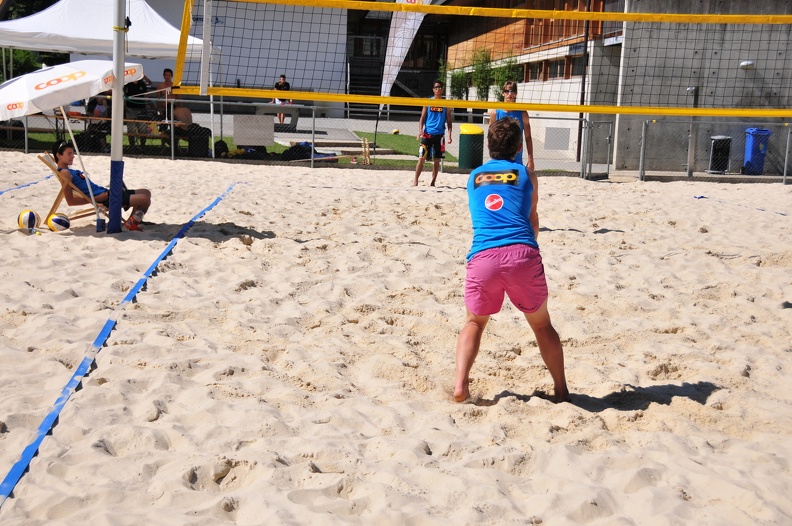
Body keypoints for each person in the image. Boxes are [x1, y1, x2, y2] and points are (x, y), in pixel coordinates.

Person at [454, 117, 568, 404]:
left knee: (474, 323)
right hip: (522, 253)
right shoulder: (527, 175)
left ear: (488, 146)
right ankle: (561, 390)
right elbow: (533, 219)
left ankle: (460, 386)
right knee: (542, 325)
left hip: (483, 257)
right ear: (518, 147)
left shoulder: (474, 176)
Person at [53, 141, 152, 231]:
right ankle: (130, 224)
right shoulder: (65, 173)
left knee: (146, 192)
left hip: (106, 193)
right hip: (105, 199)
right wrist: (96, 199)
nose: (73, 156)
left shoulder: (69, 171)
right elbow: (70, 201)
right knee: (145, 198)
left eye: (73, 153)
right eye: (69, 154)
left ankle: (132, 222)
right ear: (58, 155)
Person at [489, 80, 539, 236]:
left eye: (512, 91)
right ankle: (502, 217)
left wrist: (531, 158)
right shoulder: (496, 112)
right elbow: (490, 137)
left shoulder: (522, 113)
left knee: (516, 187)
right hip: (499, 157)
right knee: (500, 186)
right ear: (503, 93)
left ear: (516, 93)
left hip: (516, 157)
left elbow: (528, 137)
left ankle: (517, 217)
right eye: (507, 91)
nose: (509, 94)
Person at [414, 80, 453, 187]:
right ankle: (415, 181)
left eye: (440, 87)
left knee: (437, 160)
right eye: (436, 87)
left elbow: (449, 121)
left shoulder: (446, 104)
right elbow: (422, 118)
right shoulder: (428, 102)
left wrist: (449, 135)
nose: (438, 89)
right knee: (421, 158)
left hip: (439, 136)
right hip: (427, 134)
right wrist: (420, 131)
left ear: (443, 89)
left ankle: (433, 182)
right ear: (433, 89)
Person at [124, 75, 153, 151]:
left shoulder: (142, 84)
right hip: (130, 109)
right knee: (131, 129)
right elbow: (124, 96)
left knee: (143, 129)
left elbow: (145, 95)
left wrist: (147, 104)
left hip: (141, 109)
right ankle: (132, 147)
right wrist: (125, 107)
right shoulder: (127, 84)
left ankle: (143, 147)